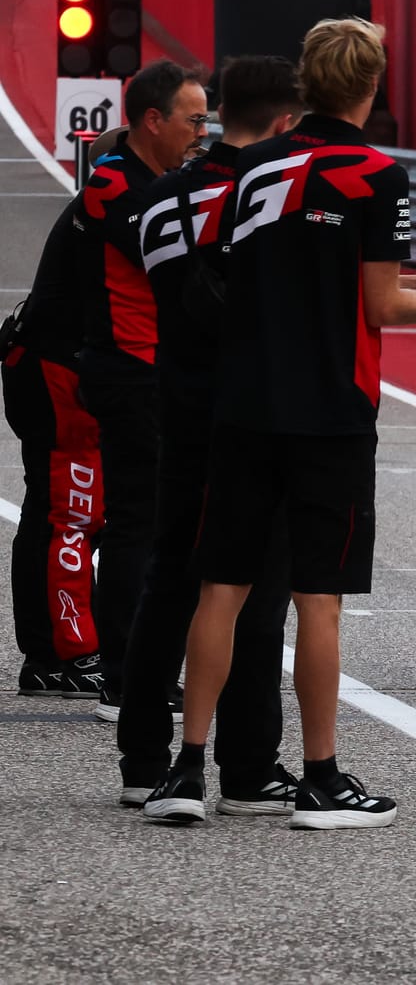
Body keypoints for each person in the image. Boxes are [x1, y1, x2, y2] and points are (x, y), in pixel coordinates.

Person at [145, 19, 416, 828]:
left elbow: (250, 273)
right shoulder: (376, 173)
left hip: (242, 407)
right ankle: (321, 779)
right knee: (317, 601)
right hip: (331, 412)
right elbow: (379, 303)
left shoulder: (251, 170)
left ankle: (184, 770)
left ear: (307, 84)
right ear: (372, 87)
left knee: (220, 590)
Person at [115, 57, 303, 811]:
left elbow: (169, 292)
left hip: (181, 405)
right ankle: (250, 766)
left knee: (169, 575)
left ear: (222, 110)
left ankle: (141, 759)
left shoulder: (160, 201)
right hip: (260, 412)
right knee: (255, 589)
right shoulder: (279, 197)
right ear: (287, 119)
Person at [76, 62, 210, 721]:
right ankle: (126, 676)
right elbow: (179, 272)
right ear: (152, 120)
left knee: (156, 523)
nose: (202, 133)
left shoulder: (153, 180)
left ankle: (138, 671)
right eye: (193, 120)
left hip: (150, 368)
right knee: (137, 522)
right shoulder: (117, 185)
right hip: (130, 370)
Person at [6, 200, 104, 698]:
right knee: (71, 514)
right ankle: (73, 657)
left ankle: (46, 655)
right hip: (60, 373)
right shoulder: (116, 199)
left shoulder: (98, 201)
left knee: (53, 510)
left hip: (44, 365)